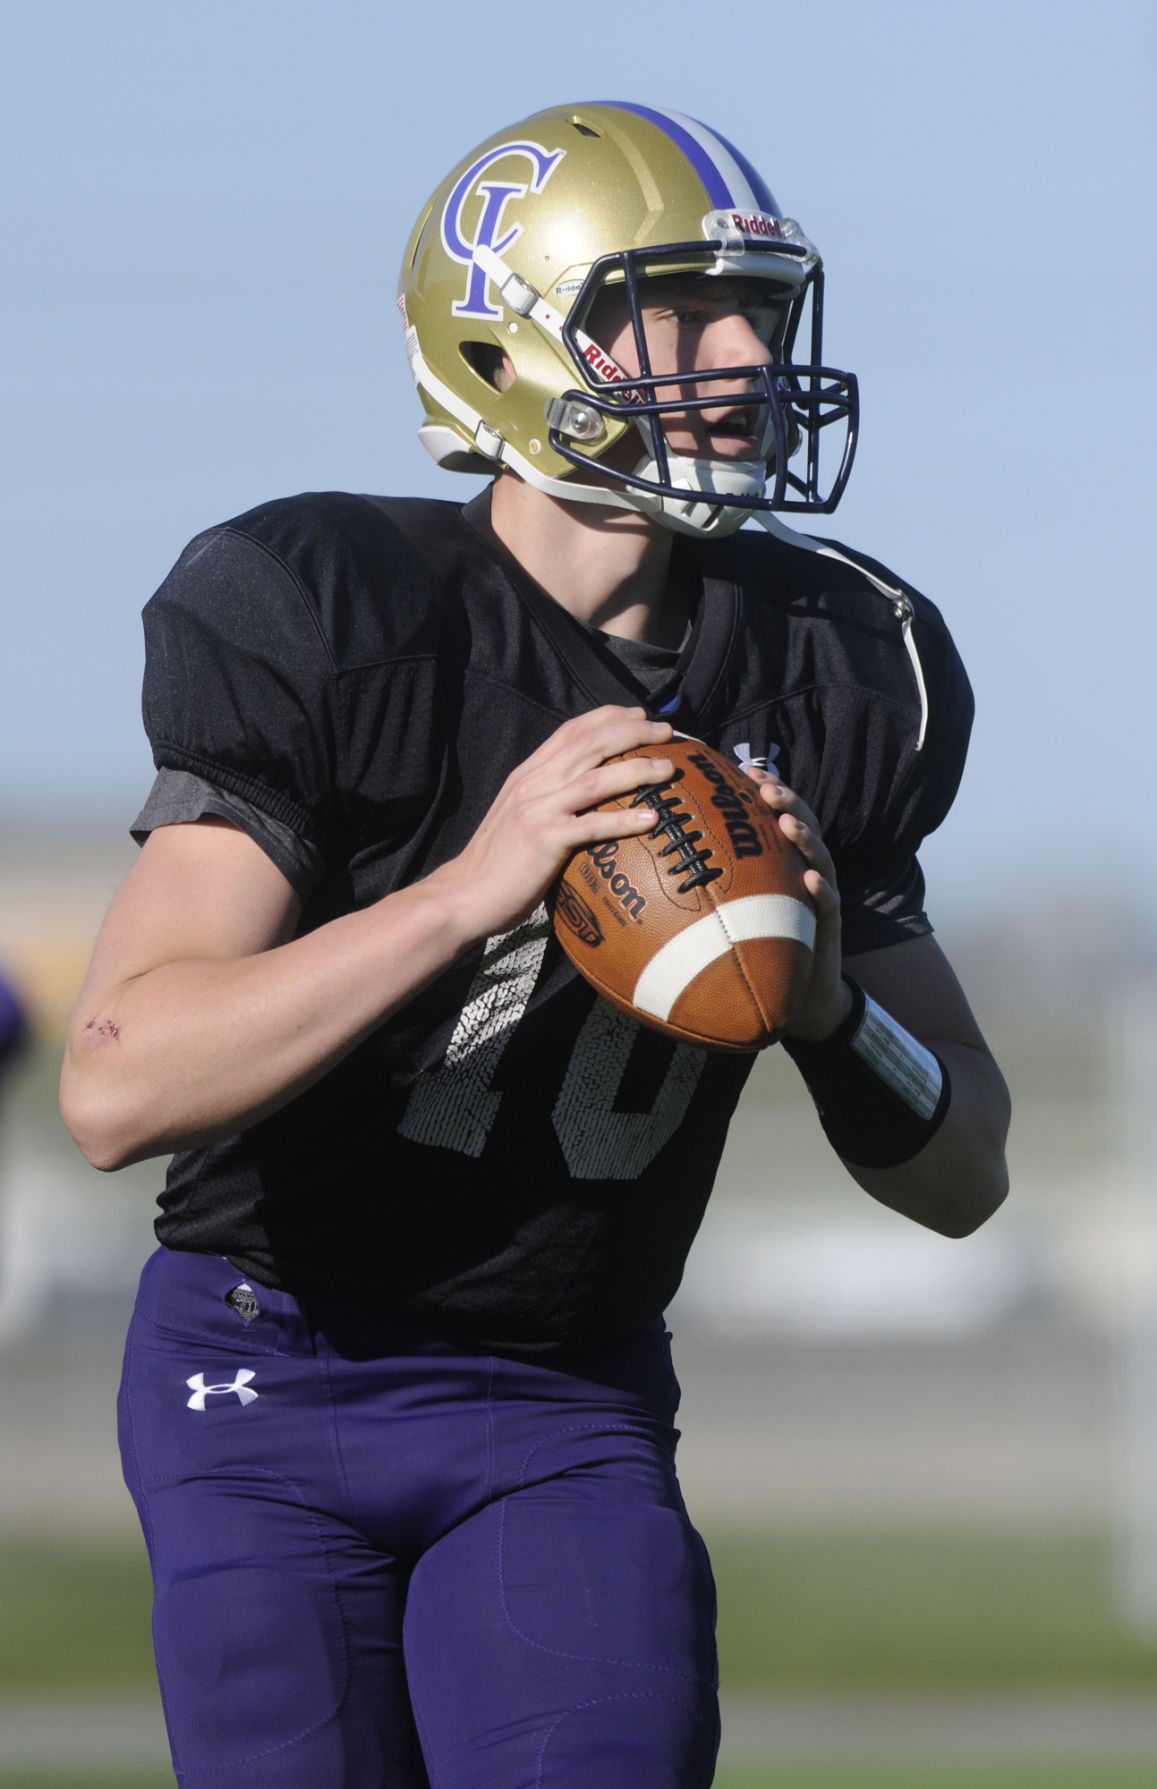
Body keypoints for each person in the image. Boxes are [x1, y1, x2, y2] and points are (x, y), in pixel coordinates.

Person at [61, 101, 1009, 1789]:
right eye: (682, 309)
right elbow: (120, 1086)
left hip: (559, 1396)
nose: (740, 357)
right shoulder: (335, 608)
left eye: (762, 312)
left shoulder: (843, 666)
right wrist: (466, 888)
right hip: (269, 1373)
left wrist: (826, 1000)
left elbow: (966, 1173)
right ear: (511, 334)